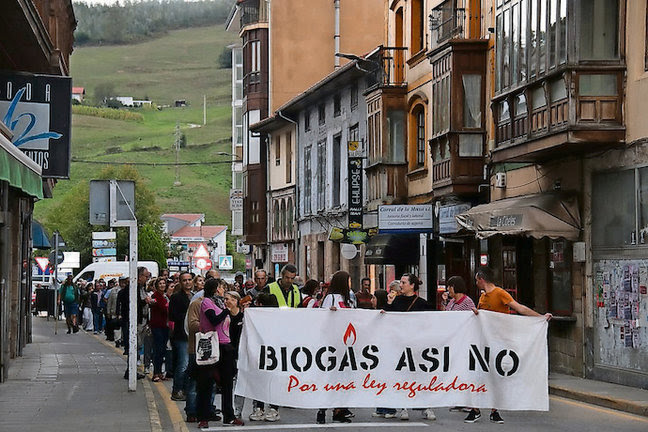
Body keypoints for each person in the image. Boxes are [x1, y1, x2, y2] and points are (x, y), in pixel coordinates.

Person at [464, 267, 552, 424]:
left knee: (496, 375)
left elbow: (519, 308)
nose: (476, 283)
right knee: (479, 374)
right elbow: (483, 317)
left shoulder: (500, 293)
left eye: (476, 280)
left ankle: (494, 410)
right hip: (484, 342)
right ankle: (476, 409)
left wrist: (540, 318)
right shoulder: (483, 297)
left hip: (499, 341)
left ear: (481, 279)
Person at [383, 273, 435, 421]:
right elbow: (388, 317)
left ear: (412, 285)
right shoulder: (397, 300)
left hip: (417, 344)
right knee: (402, 375)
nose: (401, 285)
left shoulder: (422, 303)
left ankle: (426, 406)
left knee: (421, 375)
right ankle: (403, 406)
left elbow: (434, 320)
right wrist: (388, 304)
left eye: (404, 283)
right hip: (399, 343)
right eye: (401, 283)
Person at [196, 278, 245, 428]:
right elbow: (214, 320)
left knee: (227, 383)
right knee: (206, 382)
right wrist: (226, 311)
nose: (224, 290)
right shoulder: (207, 303)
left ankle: (229, 416)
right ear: (216, 289)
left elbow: (231, 322)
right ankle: (203, 417)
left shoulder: (221, 303)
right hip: (211, 345)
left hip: (225, 346)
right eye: (222, 287)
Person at [317, 271, 355, 424]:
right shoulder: (331, 298)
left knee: (344, 376)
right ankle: (322, 409)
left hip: (346, 344)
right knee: (330, 377)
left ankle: (340, 409)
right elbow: (321, 317)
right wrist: (330, 312)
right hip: (332, 342)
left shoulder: (350, 298)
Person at [168, 272, 193, 401]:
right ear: (181, 282)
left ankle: (186, 389)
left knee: (189, 365)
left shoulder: (195, 296)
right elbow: (172, 315)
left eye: (189, 280)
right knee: (182, 364)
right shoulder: (176, 297)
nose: (187, 282)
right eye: (185, 280)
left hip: (193, 335)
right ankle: (177, 390)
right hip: (181, 336)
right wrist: (187, 317)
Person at [149, 277, 169, 382]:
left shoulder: (164, 296)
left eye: (163, 283)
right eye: (160, 283)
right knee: (158, 349)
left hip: (165, 326)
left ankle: (160, 372)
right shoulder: (155, 296)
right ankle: (156, 373)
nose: (162, 285)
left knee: (162, 350)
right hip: (157, 326)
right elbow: (164, 308)